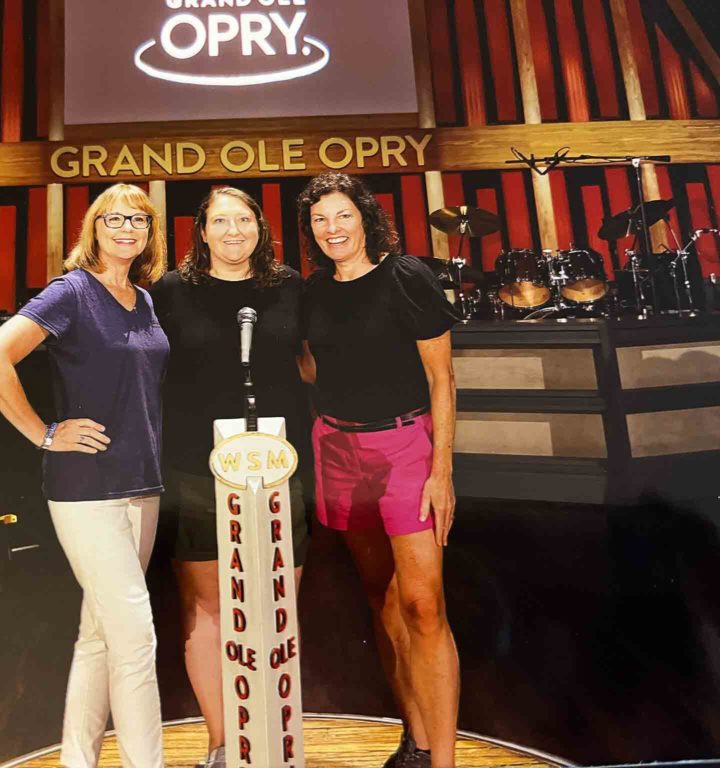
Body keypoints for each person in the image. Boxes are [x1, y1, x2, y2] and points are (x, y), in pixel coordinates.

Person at [0, 183, 169, 768]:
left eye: (138, 218)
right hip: (86, 489)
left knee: (100, 636)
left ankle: (78, 761)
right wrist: (44, 431)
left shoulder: (142, 297)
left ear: (150, 230)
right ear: (94, 227)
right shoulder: (72, 291)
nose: (126, 227)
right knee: (135, 641)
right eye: (114, 218)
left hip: (141, 482)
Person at [296, 172, 460, 768]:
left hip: (405, 449)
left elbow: (443, 379)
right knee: (380, 597)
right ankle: (414, 738)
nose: (332, 228)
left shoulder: (406, 277)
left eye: (342, 215)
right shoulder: (313, 292)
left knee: (423, 604)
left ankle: (443, 760)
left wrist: (441, 471)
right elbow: (314, 368)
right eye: (319, 219)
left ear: (364, 217)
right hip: (338, 450)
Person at [150, 187, 310, 768]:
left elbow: (313, 361)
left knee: (278, 603)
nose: (234, 230)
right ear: (202, 231)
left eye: (244, 219)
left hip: (278, 466)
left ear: (260, 228)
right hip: (195, 463)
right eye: (221, 220)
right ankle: (222, 743)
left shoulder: (289, 286)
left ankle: (273, 735)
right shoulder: (171, 290)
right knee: (209, 607)